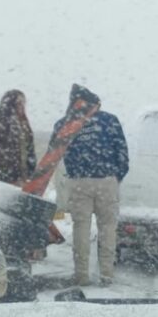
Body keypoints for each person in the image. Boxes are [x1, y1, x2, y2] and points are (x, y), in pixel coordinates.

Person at [53, 91, 129, 287]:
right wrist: (115, 176)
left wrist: (76, 171)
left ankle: (81, 275)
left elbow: (59, 153)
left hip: (79, 181)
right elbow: (122, 152)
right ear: (95, 103)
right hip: (106, 180)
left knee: (81, 229)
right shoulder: (110, 120)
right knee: (108, 228)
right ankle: (106, 274)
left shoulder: (64, 123)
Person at [0, 90, 37, 184]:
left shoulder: (24, 125)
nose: (22, 106)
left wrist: (31, 169)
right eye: (19, 103)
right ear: (11, 105)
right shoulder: (1, 122)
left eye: (24, 103)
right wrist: (3, 159)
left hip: (22, 175)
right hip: (5, 176)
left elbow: (29, 149)